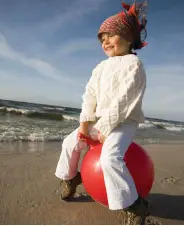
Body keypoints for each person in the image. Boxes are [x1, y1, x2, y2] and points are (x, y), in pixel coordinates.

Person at [55, 1, 149, 224]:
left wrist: (106, 129)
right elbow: (90, 95)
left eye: (111, 35)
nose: (105, 41)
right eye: (102, 38)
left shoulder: (134, 65)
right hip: (99, 121)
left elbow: (124, 101)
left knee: (109, 158)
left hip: (123, 122)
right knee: (70, 143)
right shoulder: (100, 67)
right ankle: (70, 178)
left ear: (128, 37)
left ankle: (134, 205)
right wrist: (85, 124)